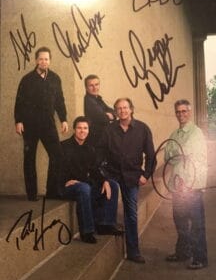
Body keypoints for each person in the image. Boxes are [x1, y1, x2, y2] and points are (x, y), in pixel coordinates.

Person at [97, 98, 155, 263]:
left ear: (131, 109)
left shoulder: (142, 129)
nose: (122, 111)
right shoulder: (109, 129)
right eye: (119, 109)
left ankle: (133, 252)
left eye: (125, 108)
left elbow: (151, 155)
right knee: (108, 195)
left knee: (131, 213)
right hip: (113, 175)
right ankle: (107, 225)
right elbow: (100, 152)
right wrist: (103, 176)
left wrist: (146, 175)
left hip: (132, 176)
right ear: (115, 112)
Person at [14, 46, 68, 201]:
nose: (44, 61)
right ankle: (31, 194)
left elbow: (60, 101)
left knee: (57, 155)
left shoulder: (55, 78)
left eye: (46, 59)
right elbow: (19, 102)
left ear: (49, 60)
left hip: (48, 124)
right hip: (29, 125)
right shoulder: (27, 79)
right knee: (29, 158)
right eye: (41, 58)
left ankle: (52, 191)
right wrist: (18, 121)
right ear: (36, 60)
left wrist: (63, 119)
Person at [60, 116, 123, 244]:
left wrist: (104, 180)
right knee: (84, 188)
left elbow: (94, 169)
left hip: (83, 184)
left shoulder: (90, 148)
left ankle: (106, 224)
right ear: (74, 130)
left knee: (113, 185)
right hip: (66, 186)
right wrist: (65, 181)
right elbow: (56, 169)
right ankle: (87, 231)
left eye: (85, 128)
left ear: (88, 130)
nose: (82, 131)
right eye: (79, 128)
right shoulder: (64, 146)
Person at [164, 99, 208, 269]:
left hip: (191, 186)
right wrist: (177, 152)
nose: (181, 114)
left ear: (189, 113)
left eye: (184, 111)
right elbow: (167, 157)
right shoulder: (175, 134)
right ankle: (183, 252)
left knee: (196, 223)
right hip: (177, 185)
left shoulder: (196, 133)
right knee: (180, 221)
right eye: (178, 111)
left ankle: (200, 258)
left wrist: (175, 152)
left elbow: (185, 154)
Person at [84, 74, 115, 146]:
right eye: (91, 85)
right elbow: (103, 118)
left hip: (102, 136)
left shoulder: (98, 99)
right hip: (96, 139)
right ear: (86, 87)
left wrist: (110, 114)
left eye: (96, 84)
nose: (95, 88)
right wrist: (107, 115)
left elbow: (113, 111)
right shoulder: (89, 100)